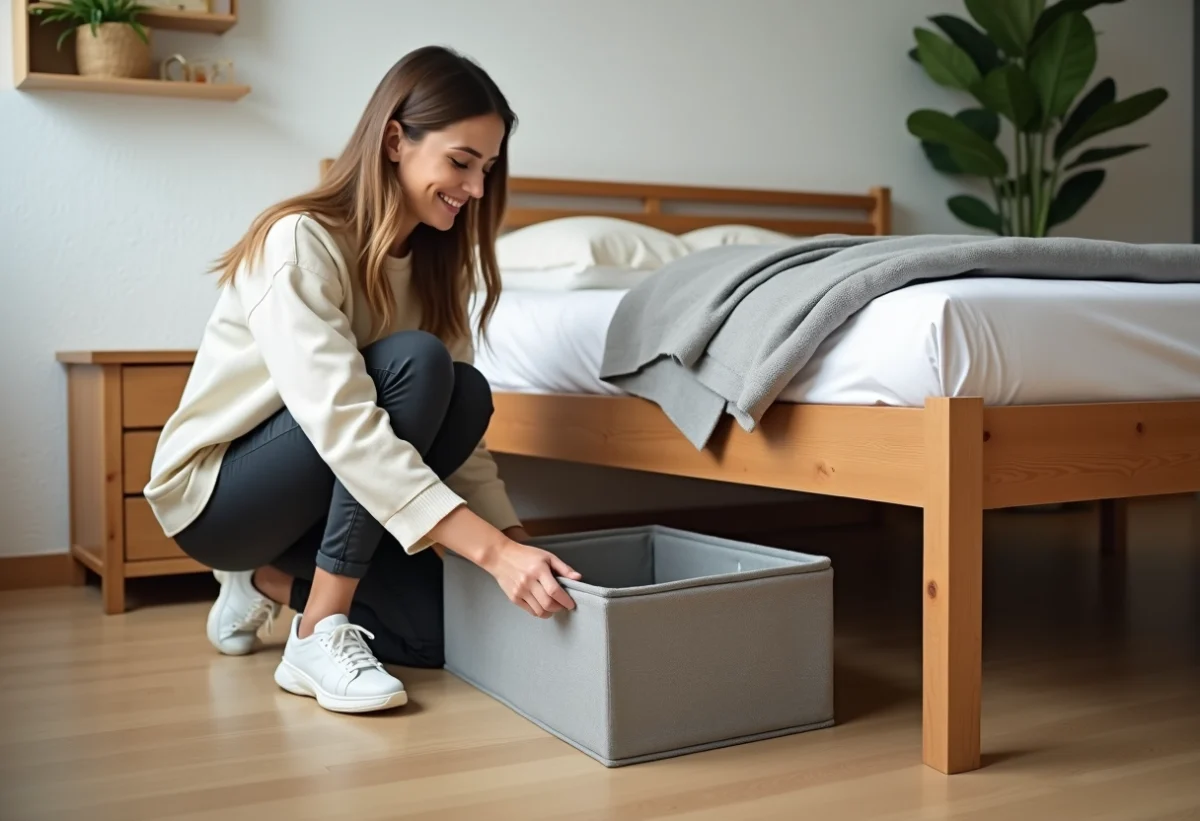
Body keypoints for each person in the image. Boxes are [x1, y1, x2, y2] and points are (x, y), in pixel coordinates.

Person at [144, 45, 582, 715]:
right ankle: (318, 629)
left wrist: (518, 547)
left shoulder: (437, 269)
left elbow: (461, 448)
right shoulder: (299, 241)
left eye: (488, 169)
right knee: (420, 363)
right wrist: (489, 552)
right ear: (395, 141)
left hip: (322, 502)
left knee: (441, 634)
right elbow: (344, 423)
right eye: (461, 162)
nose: (476, 189)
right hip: (220, 498)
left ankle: (262, 580)